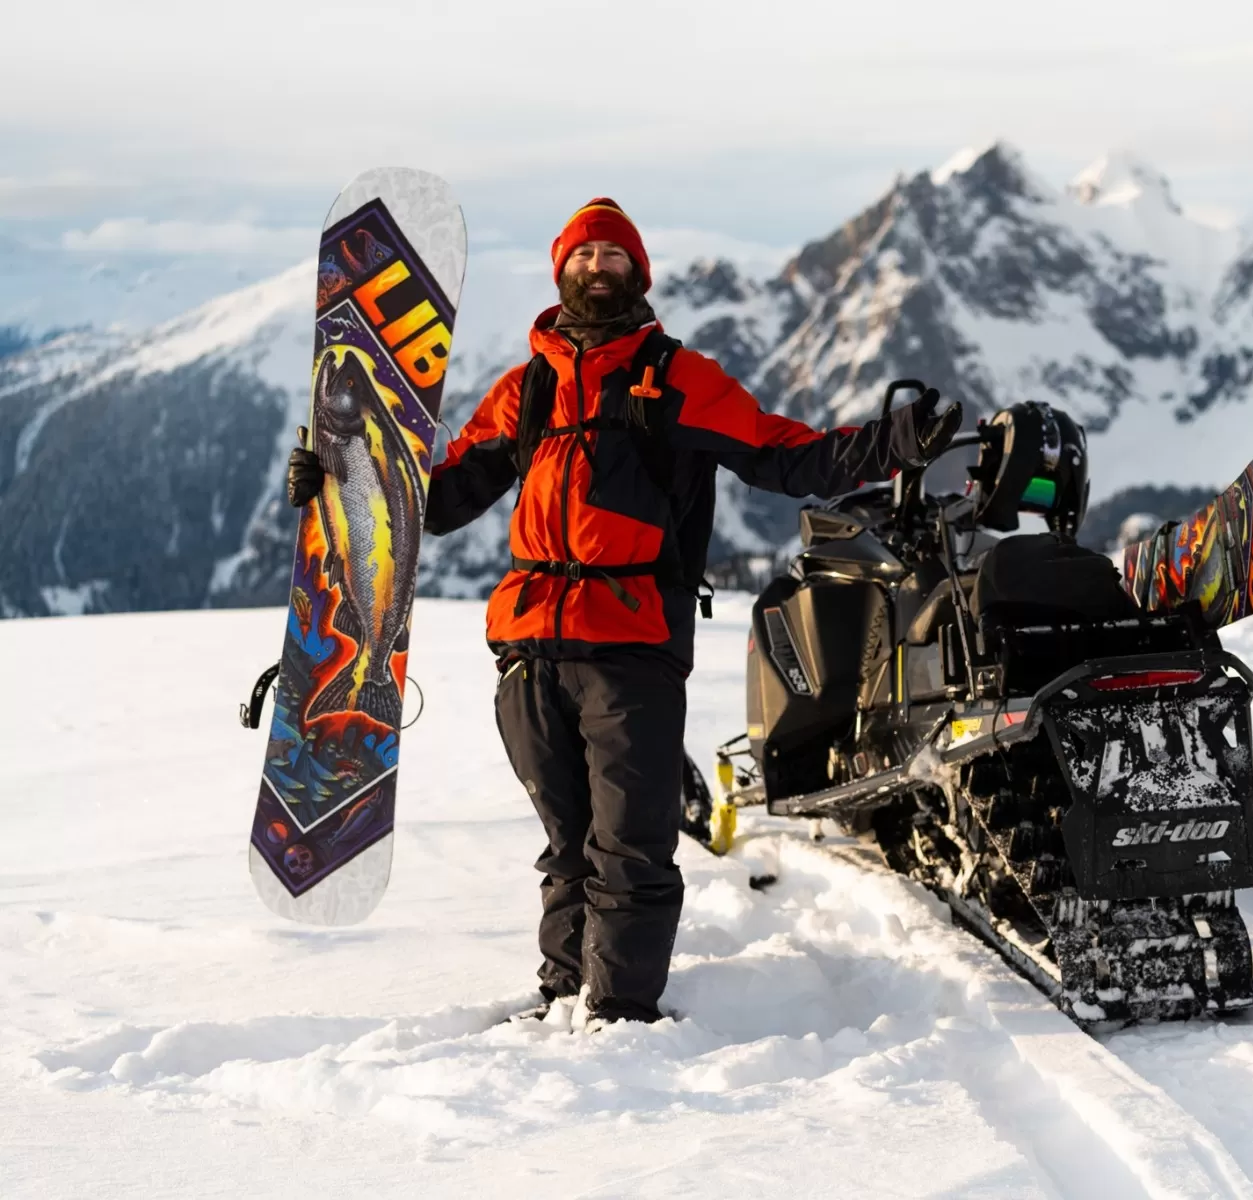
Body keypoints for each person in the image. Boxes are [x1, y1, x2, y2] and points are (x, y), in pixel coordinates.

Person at [287, 197, 960, 1025]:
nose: (596, 267)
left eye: (613, 256)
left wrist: (891, 444)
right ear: (561, 271)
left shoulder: (677, 377)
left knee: (630, 846)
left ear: (637, 274)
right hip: (529, 648)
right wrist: (339, 481)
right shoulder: (526, 387)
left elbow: (786, 456)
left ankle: (618, 1017)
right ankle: (563, 995)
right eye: (583, 255)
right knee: (567, 845)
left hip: (631, 643)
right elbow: (445, 497)